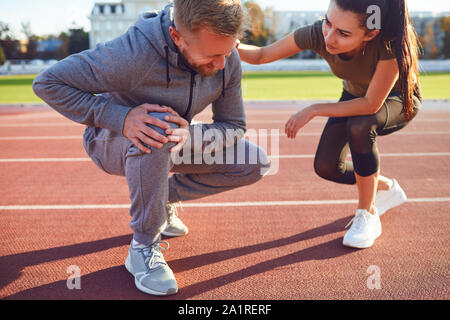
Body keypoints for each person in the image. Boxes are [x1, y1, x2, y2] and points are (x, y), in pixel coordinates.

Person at [33, 0, 269, 296]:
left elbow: (233, 125)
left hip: (171, 139)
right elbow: (48, 82)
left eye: (230, 49)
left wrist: (191, 136)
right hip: (111, 140)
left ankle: (160, 200)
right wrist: (122, 117)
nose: (222, 64)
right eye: (212, 55)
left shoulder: (226, 56)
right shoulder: (132, 54)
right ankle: (143, 247)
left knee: (254, 162)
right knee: (157, 129)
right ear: (176, 37)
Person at [237, 0, 422, 249]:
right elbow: (260, 55)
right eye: (327, 22)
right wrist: (229, 44)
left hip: (396, 100)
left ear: (371, 33)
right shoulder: (318, 33)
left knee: (360, 125)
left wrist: (314, 110)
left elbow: (370, 105)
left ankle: (367, 214)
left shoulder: (389, 44)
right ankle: (386, 187)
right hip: (356, 97)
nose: (329, 37)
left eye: (343, 33)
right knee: (326, 167)